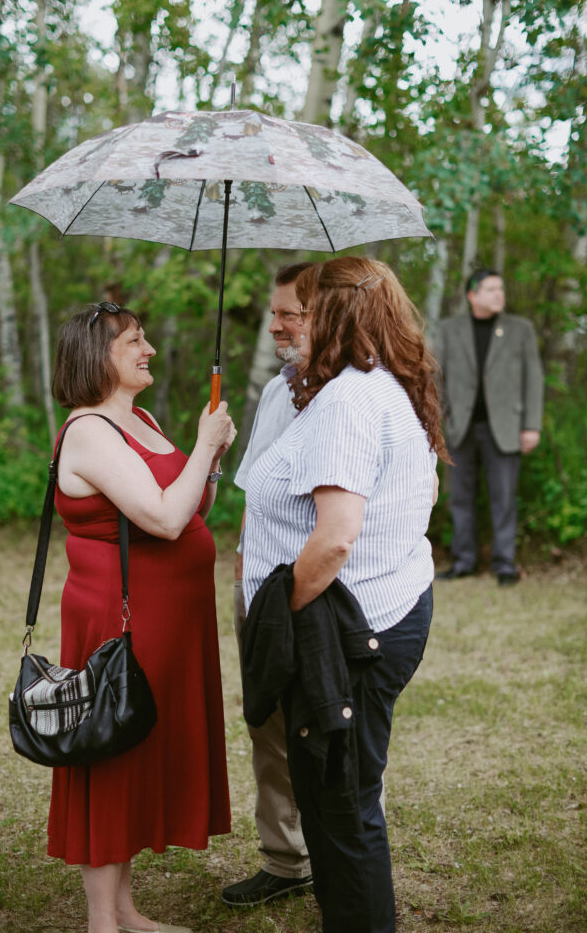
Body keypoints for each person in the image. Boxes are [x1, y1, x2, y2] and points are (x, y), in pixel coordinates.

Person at [239, 257, 445, 933]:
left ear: (334, 314)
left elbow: (334, 539)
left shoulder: (351, 399)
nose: (292, 320)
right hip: (376, 612)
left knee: (342, 803)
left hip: (352, 628)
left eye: (304, 307)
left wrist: (284, 614)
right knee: (330, 798)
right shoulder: (371, 385)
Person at [47, 301, 236, 933]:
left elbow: (194, 504)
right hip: (120, 617)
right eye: (133, 340)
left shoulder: (143, 418)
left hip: (168, 617)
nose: (148, 348)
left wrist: (209, 459)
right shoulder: (89, 431)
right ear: (97, 356)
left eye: (145, 337)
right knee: (114, 750)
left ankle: (126, 909)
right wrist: (204, 442)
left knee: (143, 748)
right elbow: (161, 517)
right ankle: (104, 921)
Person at [222, 263, 314, 908]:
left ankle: (342, 865)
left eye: (292, 313)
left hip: (315, 591)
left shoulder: (360, 392)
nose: (277, 325)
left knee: (330, 734)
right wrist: (245, 548)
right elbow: (256, 480)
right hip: (258, 584)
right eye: (274, 311)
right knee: (268, 726)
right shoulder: (277, 390)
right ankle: (285, 860)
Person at [434, 268, 543, 584]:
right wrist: (441, 418)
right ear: (473, 295)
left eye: (501, 289)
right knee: (459, 498)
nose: (500, 294)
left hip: (507, 428)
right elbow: (436, 376)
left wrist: (531, 426)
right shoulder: (449, 329)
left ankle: (505, 564)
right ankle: (463, 561)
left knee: (504, 497)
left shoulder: (520, 329)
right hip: (461, 428)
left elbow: (533, 380)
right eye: (492, 289)